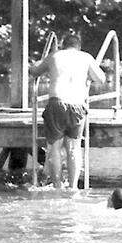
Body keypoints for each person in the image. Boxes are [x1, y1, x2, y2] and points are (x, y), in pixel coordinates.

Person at [28, 32, 104, 190]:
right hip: (77, 105)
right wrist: (87, 76)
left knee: (54, 147)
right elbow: (101, 79)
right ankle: (73, 187)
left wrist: (35, 65)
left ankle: (57, 187)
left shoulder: (54, 56)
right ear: (78, 46)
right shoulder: (86, 57)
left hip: (57, 103)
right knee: (74, 147)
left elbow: (34, 71)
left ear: (63, 45)